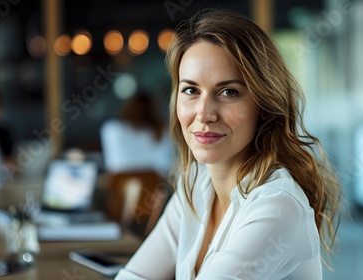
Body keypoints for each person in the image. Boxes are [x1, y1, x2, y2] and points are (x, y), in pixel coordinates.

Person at [115, 9, 341, 280]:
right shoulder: (196, 184)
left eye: (228, 92)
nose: (204, 113)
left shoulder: (278, 206)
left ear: (264, 106)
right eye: (191, 90)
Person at [100, 93, 173, 176]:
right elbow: (165, 166)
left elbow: (113, 165)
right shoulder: (163, 131)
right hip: (153, 183)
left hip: (119, 184)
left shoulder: (111, 129)